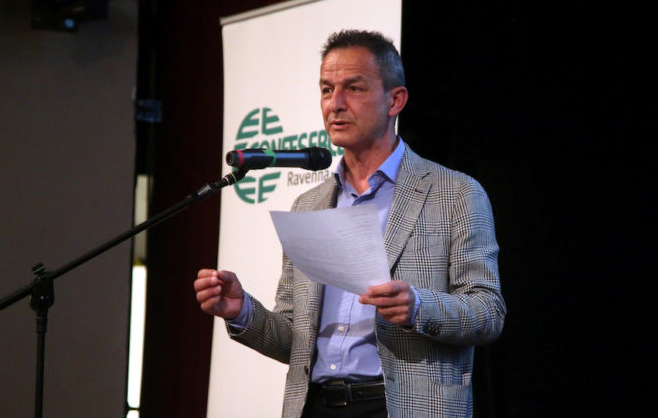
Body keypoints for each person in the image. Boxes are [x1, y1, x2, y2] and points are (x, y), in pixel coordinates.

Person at [194, 29, 506, 418]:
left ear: (395, 100)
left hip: (401, 407)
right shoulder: (309, 206)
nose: (335, 104)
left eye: (354, 88)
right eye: (327, 90)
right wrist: (242, 311)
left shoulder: (454, 193)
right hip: (316, 406)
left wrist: (418, 305)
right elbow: (294, 341)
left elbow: (488, 312)